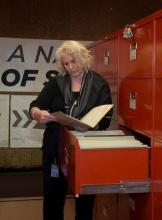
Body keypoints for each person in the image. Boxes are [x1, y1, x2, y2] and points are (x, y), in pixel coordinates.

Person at [29, 40, 113, 220]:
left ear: (83, 58)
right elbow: (36, 105)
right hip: (55, 149)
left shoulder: (99, 84)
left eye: (74, 61)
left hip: (85, 149)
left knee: (85, 202)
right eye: (66, 63)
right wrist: (37, 113)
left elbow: (106, 117)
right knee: (53, 200)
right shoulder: (56, 83)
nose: (70, 67)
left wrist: (92, 126)